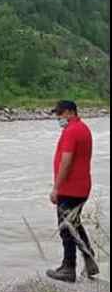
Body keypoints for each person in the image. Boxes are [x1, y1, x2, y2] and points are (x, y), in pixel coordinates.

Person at [46, 100, 99, 282]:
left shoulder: (71, 131)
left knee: (66, 229)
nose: (58, 118)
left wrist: (56, 188)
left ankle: (68, 267)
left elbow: (66, 162)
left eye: (60, 114)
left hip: (70, 188)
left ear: (70, 112)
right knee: (74, 224)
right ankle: (88, 257)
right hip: (82, 186)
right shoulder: (83, 128)